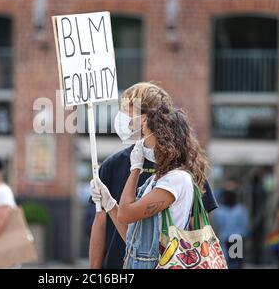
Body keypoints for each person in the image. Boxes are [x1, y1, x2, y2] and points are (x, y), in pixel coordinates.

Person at [89, 82, 218, 269]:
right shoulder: (149, 177)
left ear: (147, 119)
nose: (124, 118)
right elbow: (136, 238)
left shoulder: (178, 177)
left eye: (128, 110)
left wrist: (134, 170)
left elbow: (126, 214)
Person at [212, 181, 248, 269]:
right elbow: (245, 224)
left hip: (225, 238)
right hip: (237, 238)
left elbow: (217, 225)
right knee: (236, 262)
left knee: (225, 262)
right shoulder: (241, 209)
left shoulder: (219, 211)